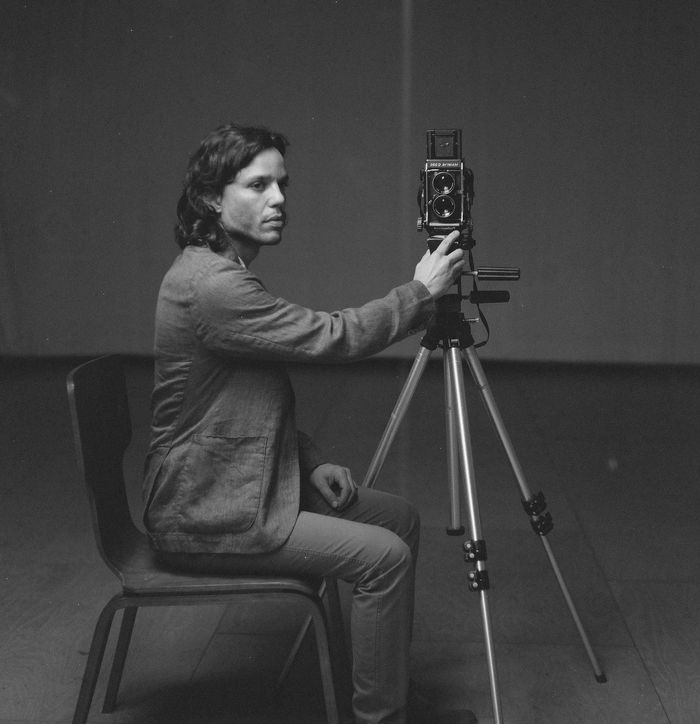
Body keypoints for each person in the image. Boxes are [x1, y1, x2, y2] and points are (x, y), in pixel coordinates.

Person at [142, 123, 474, 724]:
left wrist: (311, 460)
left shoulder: (219, 271)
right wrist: (419, 294)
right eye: (258, 184)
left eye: (282, 184)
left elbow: (238, 403)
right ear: (213, 198)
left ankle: (381, 692)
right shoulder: (213, 287)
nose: (278, 199)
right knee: (385, 559)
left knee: (398, 518)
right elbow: (331, 336)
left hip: (238, 488)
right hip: (206, 509)